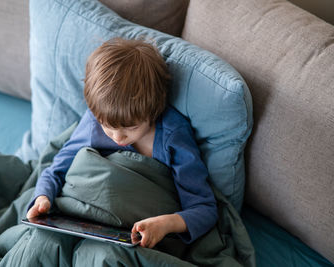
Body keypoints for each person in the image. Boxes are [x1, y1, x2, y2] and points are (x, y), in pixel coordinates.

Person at [27, 37, 218, 249]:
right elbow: (57, 169)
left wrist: (166, 223)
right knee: (42, 246)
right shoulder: (93, 122)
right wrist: (43, 197)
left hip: (136, 232)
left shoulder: (173, 137)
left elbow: (204, 207)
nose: (117, 137)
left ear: (154, 110)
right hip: (79, 218)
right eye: (106, 125)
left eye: (131, 127)